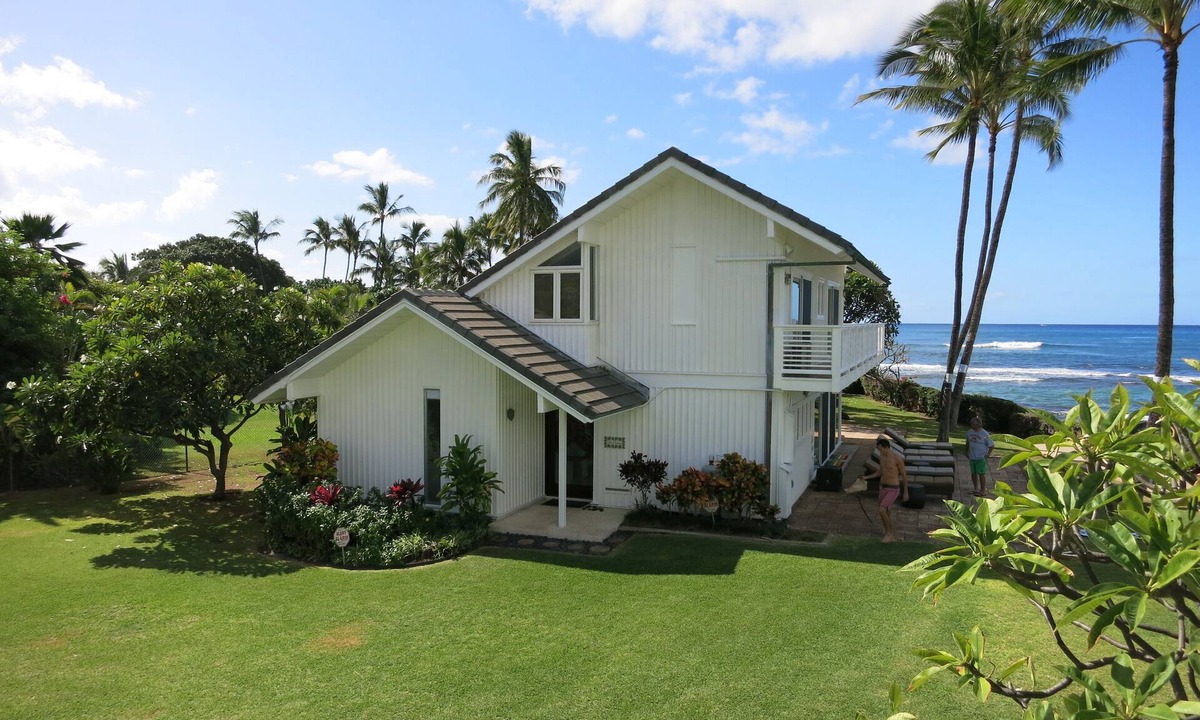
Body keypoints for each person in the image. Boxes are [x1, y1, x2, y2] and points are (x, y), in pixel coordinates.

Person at [858, 437, 909, 543]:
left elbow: (904, 476)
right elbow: (880, 472)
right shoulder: (882, 457)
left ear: (887, 448)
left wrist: (906, 492)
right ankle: (890, 532)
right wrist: (866, 477)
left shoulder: (897, 459)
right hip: (882, 487)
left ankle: (888, 534)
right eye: (878, 449)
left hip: (893, 488)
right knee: (887, 511)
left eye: (881, 449)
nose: (880, 451)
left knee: (881, 510)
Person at [966, 416, 995, 497]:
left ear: (978, 424)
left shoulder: (985, 434)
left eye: (974, 424)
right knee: (973, 473)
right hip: (972, 457)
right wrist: (966, 451)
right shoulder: (969, 432)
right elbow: (967, 443)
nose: (972, 425)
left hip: (981, 458)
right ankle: (975, 488)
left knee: (981, 474)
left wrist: (988, 454)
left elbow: (991, 445)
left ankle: (983, 490)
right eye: (972, 424)